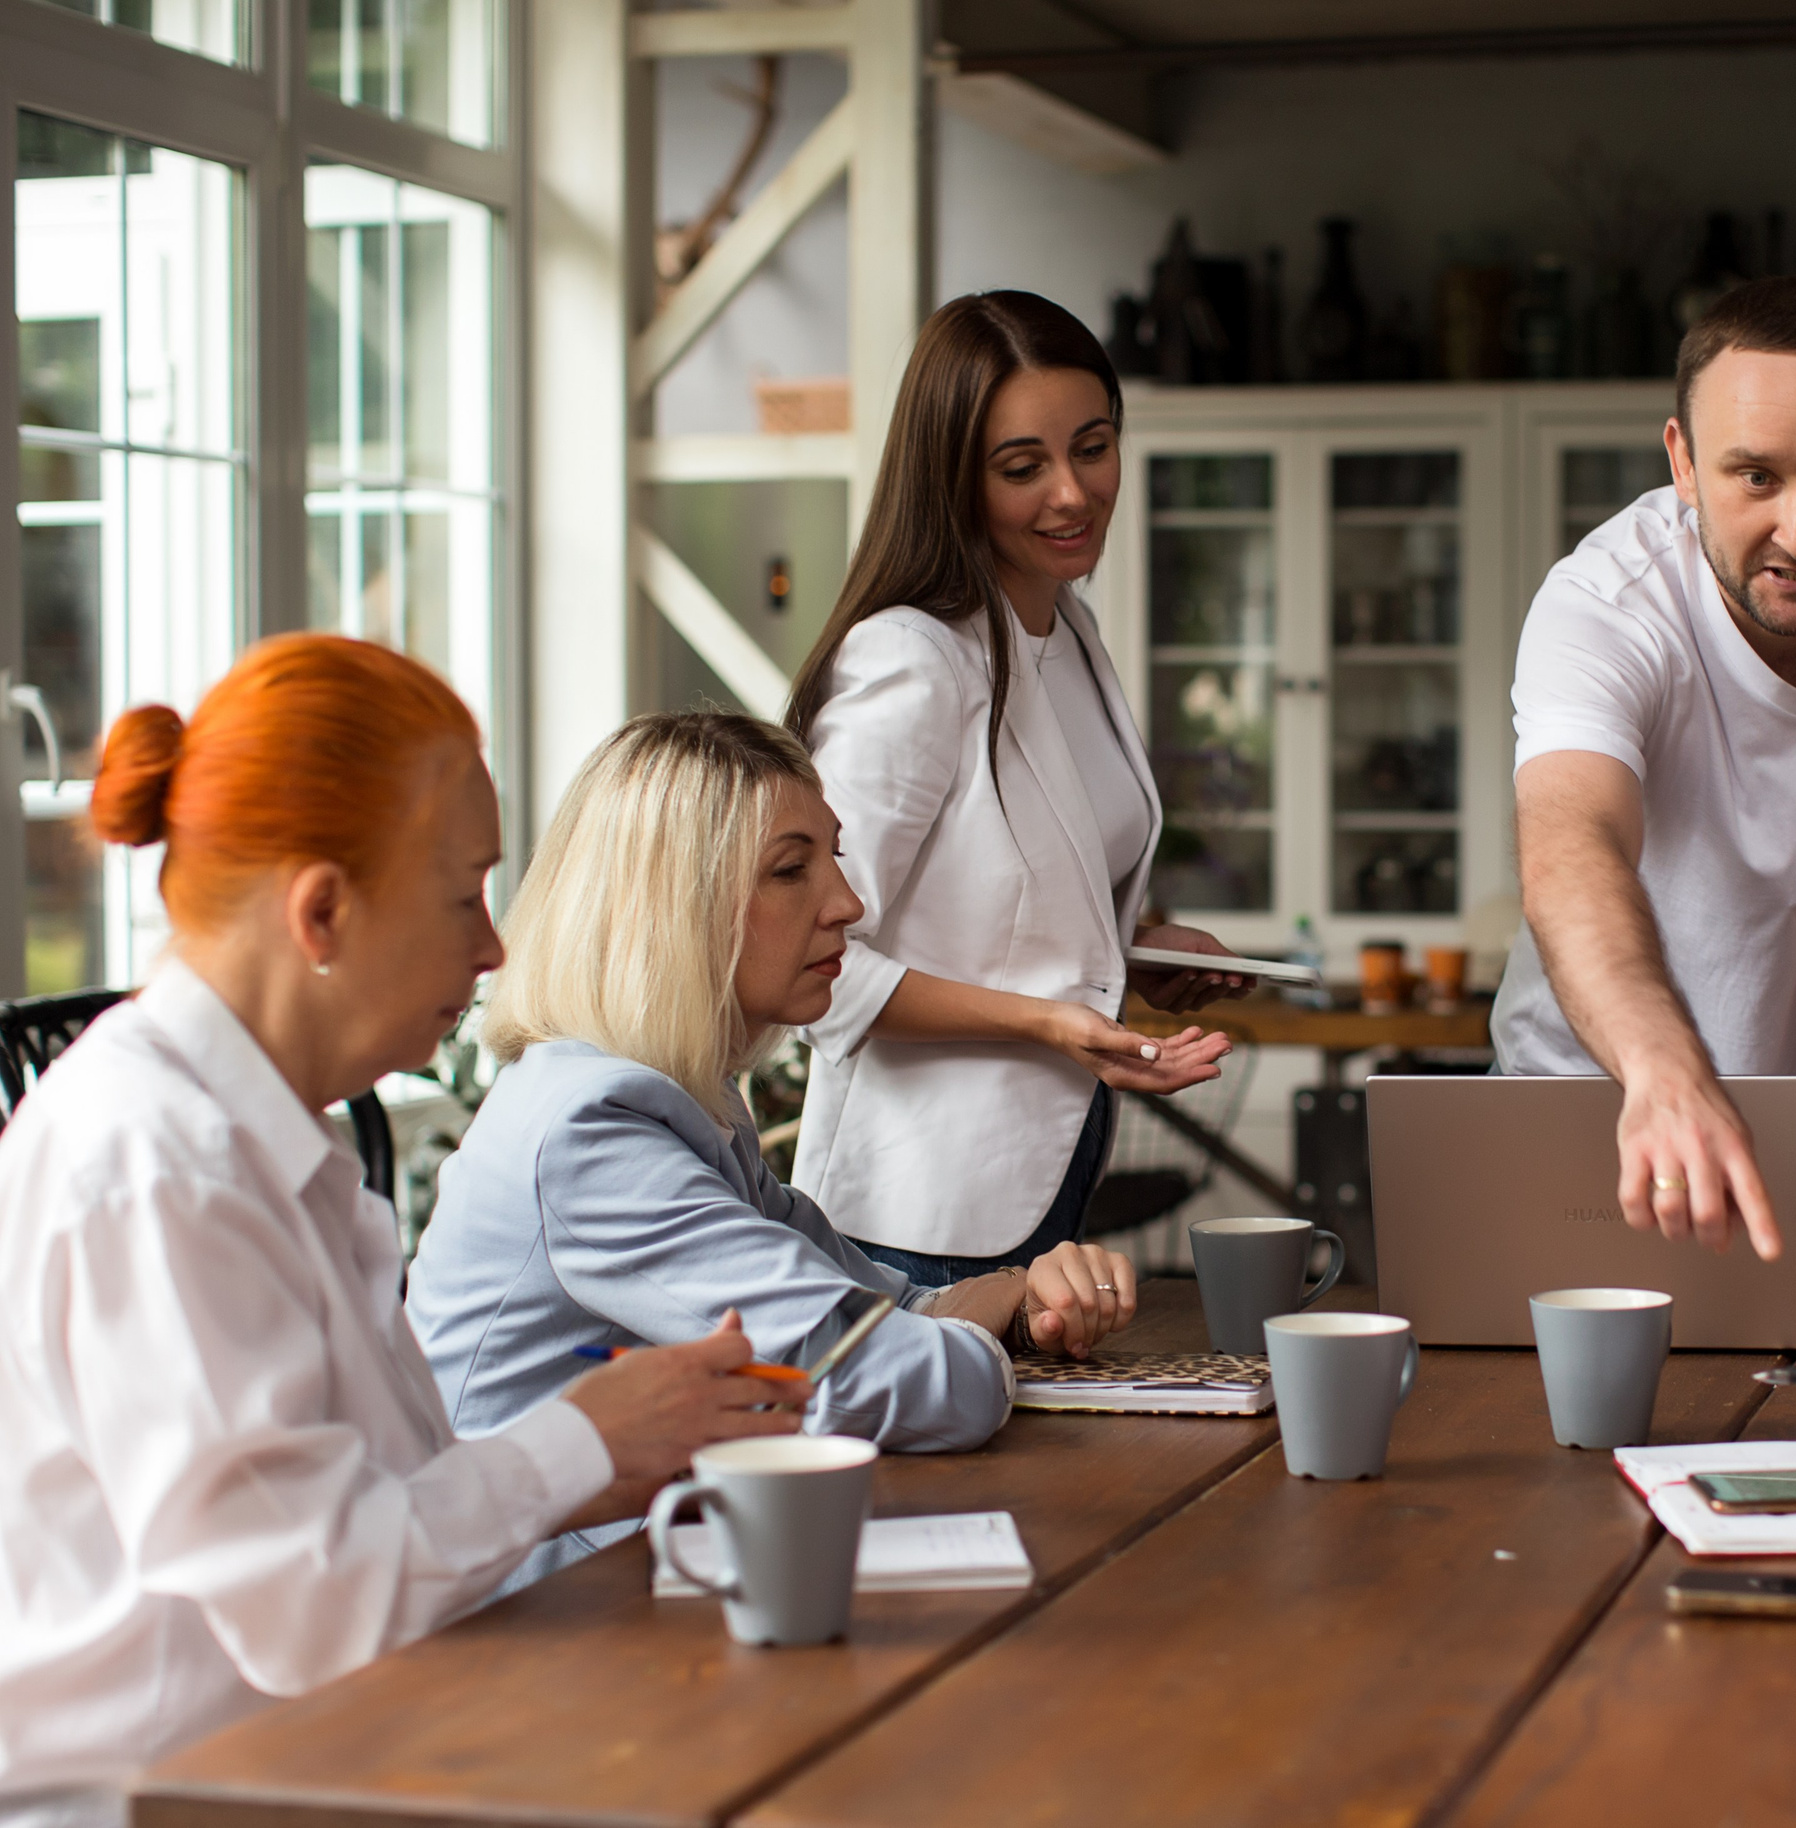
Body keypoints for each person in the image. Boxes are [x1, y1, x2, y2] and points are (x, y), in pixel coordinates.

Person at [0, 636, 808, 1826]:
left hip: (332, 1753)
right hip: (182, 1798)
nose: (492, 947)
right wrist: (583, 1441)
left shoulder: (265, 1135)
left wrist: (626, 1443)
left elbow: (373, 1514)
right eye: (462, 893)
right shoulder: (153, 1167)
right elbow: (315, 1603)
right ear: (321, 910)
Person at [407, 714, 1138, 1582]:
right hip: (523, 1629)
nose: (848, 904)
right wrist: (985, 1347)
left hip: (626, 1585)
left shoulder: (682, 1099)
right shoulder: (589, 1131)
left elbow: (881, 1311)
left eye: (832, 857)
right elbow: (866, 1371)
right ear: (671, 907)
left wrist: (1022, 1298)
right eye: (793, 870)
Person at [1493, 275, 1796, 1256]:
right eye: (1754, 477)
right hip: (1587, 1098)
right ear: (1681, 461)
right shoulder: (1601, 602)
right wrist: (1662, 1069)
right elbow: (1570, 843)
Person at [782, 290, 1246, 1285]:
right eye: (1021, 467)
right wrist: (1048, 1018)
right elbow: (812, 970)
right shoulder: (911, 661)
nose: (1073, 493)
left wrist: (1136, 954)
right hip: (916, 1211)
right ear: (954, 479)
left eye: (1093, 446)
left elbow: (1016, 902)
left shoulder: (1065, 631)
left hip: (1048, 1179)